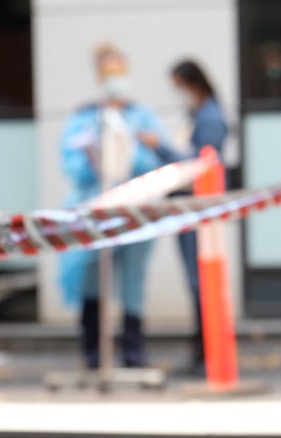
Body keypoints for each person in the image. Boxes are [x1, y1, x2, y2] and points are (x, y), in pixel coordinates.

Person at [60, 43, 170, 368]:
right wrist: (96, 158)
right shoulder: (84, 117)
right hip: (95, 211)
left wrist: (130, 152)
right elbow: (71, 164)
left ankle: (133, 353)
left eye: (119, 71)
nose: (115, 78)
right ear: (99, 76)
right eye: (109, 72)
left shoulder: (142, 115)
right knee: (91, 278)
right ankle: (93, 352)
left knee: (133, 281)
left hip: (136, 213)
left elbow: (157, 160)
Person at [139, 60, 227, 374]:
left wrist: (159, 147)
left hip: (197, 209)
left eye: (178, 86)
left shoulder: (211, 118)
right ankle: (203, 351)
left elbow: (197, 163)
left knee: (200, 281)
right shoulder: (199, 114)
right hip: (188, 208)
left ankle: (207, 352)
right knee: (197, 282)